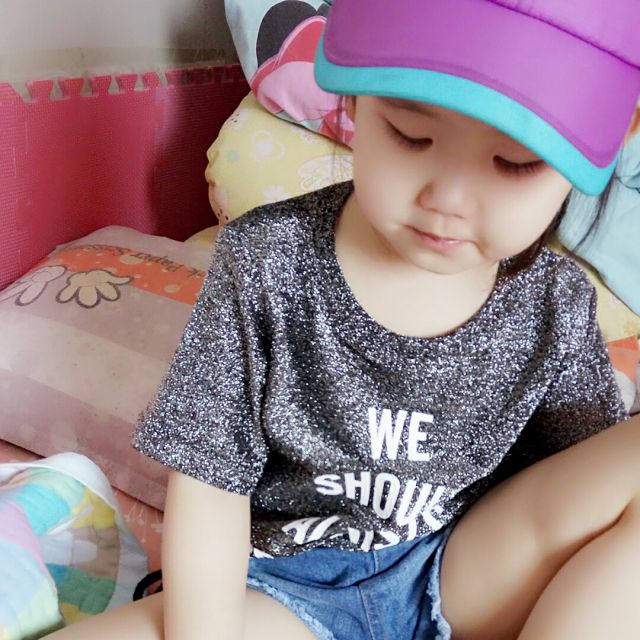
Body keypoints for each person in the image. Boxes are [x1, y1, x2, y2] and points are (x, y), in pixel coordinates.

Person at [47, 1, 640, 638]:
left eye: (515, 163)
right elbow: (209, 484)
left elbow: (577, 490)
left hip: (465, 573)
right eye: (411, 136)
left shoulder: (555, 302)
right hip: (287, 588)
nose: (448, 199)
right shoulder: (266, 261)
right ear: (354, 103)